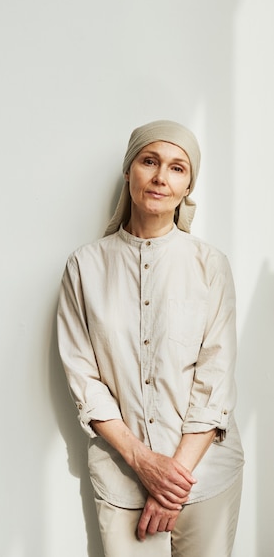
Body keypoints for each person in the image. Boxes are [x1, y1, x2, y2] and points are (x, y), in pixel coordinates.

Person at [57, 120, 244, 557]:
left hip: (206, 475)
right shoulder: (84, 267)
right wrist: (143, 462)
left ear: (187, 186)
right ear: (129, 171)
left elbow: (215, 378)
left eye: (178, 168)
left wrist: (170, 481)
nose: (161, 176)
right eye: (150, 161)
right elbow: (83, 379)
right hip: (123, 478)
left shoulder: (210, 265)